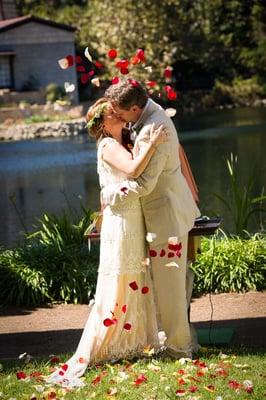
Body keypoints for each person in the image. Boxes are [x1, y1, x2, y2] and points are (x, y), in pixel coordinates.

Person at [45, 98, 168, 388]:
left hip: (131, 217)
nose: (119, 114)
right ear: (102, 123)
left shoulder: (121, 140)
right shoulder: (107, 145)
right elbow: (135, 170)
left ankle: (133, 340)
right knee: (120, 278)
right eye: (113, 113)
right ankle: (105, 343)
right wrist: (154, 142)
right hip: (121, 222)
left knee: (134, 276)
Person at [102, 78, 201, 359]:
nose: (119, 118)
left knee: (170, 290)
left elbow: (144, 184)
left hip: (166, 215)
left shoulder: (152, 129)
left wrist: (110, 194)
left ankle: (179, 349)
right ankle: (180, 342)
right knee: (170, 286)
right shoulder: (152, 113)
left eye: (121, 113)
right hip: (165, 213)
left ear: (135, 108)